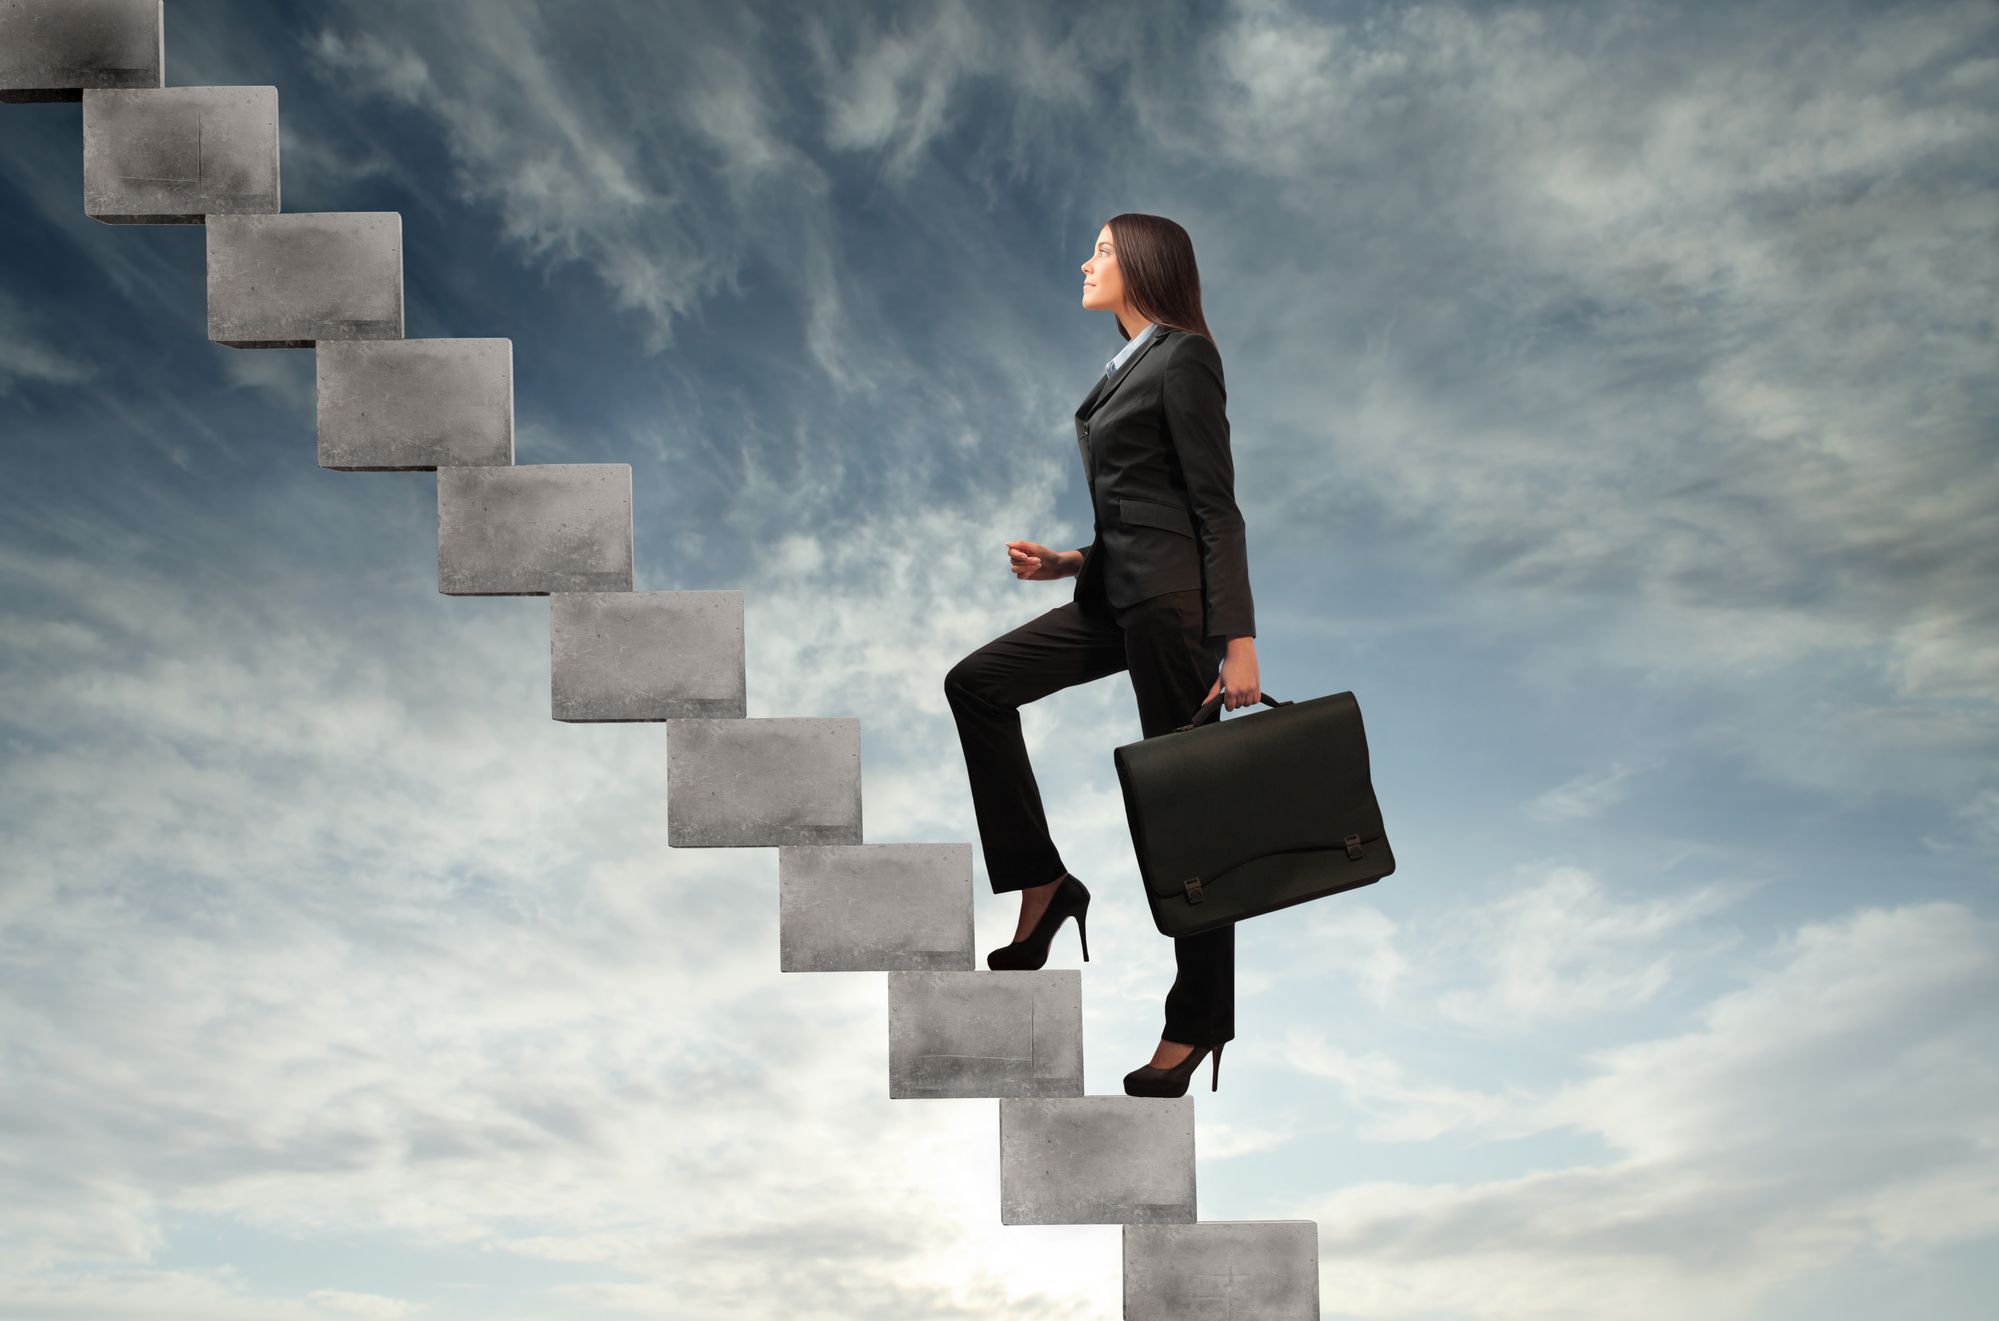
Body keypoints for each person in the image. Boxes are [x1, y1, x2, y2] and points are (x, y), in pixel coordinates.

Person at [944, 213, 1258, 1099]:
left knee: (1182, 814)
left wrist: (1236, 640)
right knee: (975, 685)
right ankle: (1044, 880)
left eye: (1105, 251)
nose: (1087, 261)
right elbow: (1138, 504)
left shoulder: (1186, 356)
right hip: (1112, 595)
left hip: (1169, 613)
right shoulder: (1125, 366)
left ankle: (1197, 1020)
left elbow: (1213, 508)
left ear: (1147, 265)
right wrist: (1072, 561)